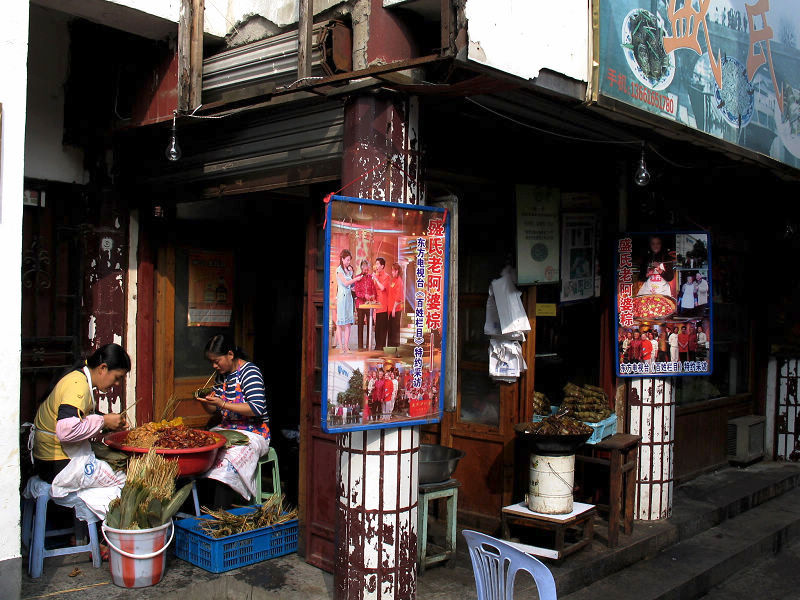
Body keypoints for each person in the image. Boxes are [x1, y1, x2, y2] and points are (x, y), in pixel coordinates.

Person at [33, 343, 129, 484]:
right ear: (103, 368)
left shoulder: (79, 377)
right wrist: (103, 421)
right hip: (55, 463)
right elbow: (66, 431)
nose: (117, 384)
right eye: (117, 377)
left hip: (49, 459)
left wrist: (108, 424)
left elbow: (81, 417)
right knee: (121, 479)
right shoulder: (78, 385)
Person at [197, 334, 270, 502]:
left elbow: (256, 408)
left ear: (230, 354)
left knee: (228, 459)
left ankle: (222, 509)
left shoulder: (250, 372)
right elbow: (213, 409)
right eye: (211, 362)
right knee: (204, 448)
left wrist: (222, 404)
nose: (214, 365)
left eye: (217, 361)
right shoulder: (222, 376)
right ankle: (203, 506)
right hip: (228, 429)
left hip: (254, 433)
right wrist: (204, 401)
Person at [335, 250, 363, 356]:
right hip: (342, 298)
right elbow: (346, 283)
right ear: (342, 259)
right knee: (340, 323)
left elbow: (351, 286)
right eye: (347, 260)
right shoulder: (339, 270)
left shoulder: (349, 270)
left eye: (349, 260)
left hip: (349, 299)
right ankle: (341, 347)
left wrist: (358, 287)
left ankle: (346, 346)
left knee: (348, 324)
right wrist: (355, 279)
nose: (348, 262)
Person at [352, 259, 376, 350]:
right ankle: (360, 346)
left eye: (367, 267)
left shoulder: (371, 278)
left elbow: (373, 290)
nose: (366, 269)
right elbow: (357, 292)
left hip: (369, 304)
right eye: (364, 267)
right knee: (360, 325)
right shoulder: (358, 277)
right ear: (361, 267)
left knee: (370, 323)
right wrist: (364, 295)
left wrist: (372, 295)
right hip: (360, 304)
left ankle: (368, 345)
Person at [371, 257, 391, 350]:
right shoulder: (376, 275)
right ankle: (377, 346)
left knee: (382, 328)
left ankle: (381, 347)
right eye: (376, 264)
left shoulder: (387, 276)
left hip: (384, 305)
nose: (376, 266)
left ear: (382, 266)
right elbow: (374, 289)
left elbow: (382, 288)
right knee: (377, 328)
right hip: (377, 306)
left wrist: (376, 279)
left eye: (378, 264)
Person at [387, 262, 404, 347]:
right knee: (391, 329)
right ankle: (390, 347)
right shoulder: (393, 280)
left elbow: (398, 297)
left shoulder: (399, 281)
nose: (392, 272)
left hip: (396, 309)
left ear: (397, 271)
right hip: (391, 309)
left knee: (395, 329)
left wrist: (394, 308)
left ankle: (395, 347)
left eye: (393, 271)